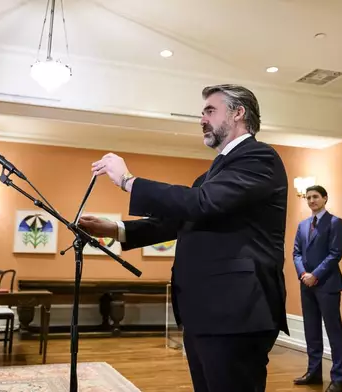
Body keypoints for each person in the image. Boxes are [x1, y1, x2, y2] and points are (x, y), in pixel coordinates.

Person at [80, 84, 289, 392]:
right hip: (205, 309)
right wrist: (117, 229)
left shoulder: (259, 157)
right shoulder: (209, 176)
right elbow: (180, 220)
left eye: (210, 111)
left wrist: (128, 181)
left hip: (236, 310)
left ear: (238, 113)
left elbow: (201, 203)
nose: (202, 119)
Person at [292, 185, 342, 392]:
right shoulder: (303, 225)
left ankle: (338, 378)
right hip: (306, 283)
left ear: (325, 198)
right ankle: (314, 372)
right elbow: (296, 252)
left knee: (333, 331)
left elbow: (335, 253)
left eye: (315, 197)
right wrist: (303, 274)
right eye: (308, 198)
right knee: (311, 330)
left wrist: (315, 275)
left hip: (327, 283)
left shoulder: (335, 222)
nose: (311, 200)